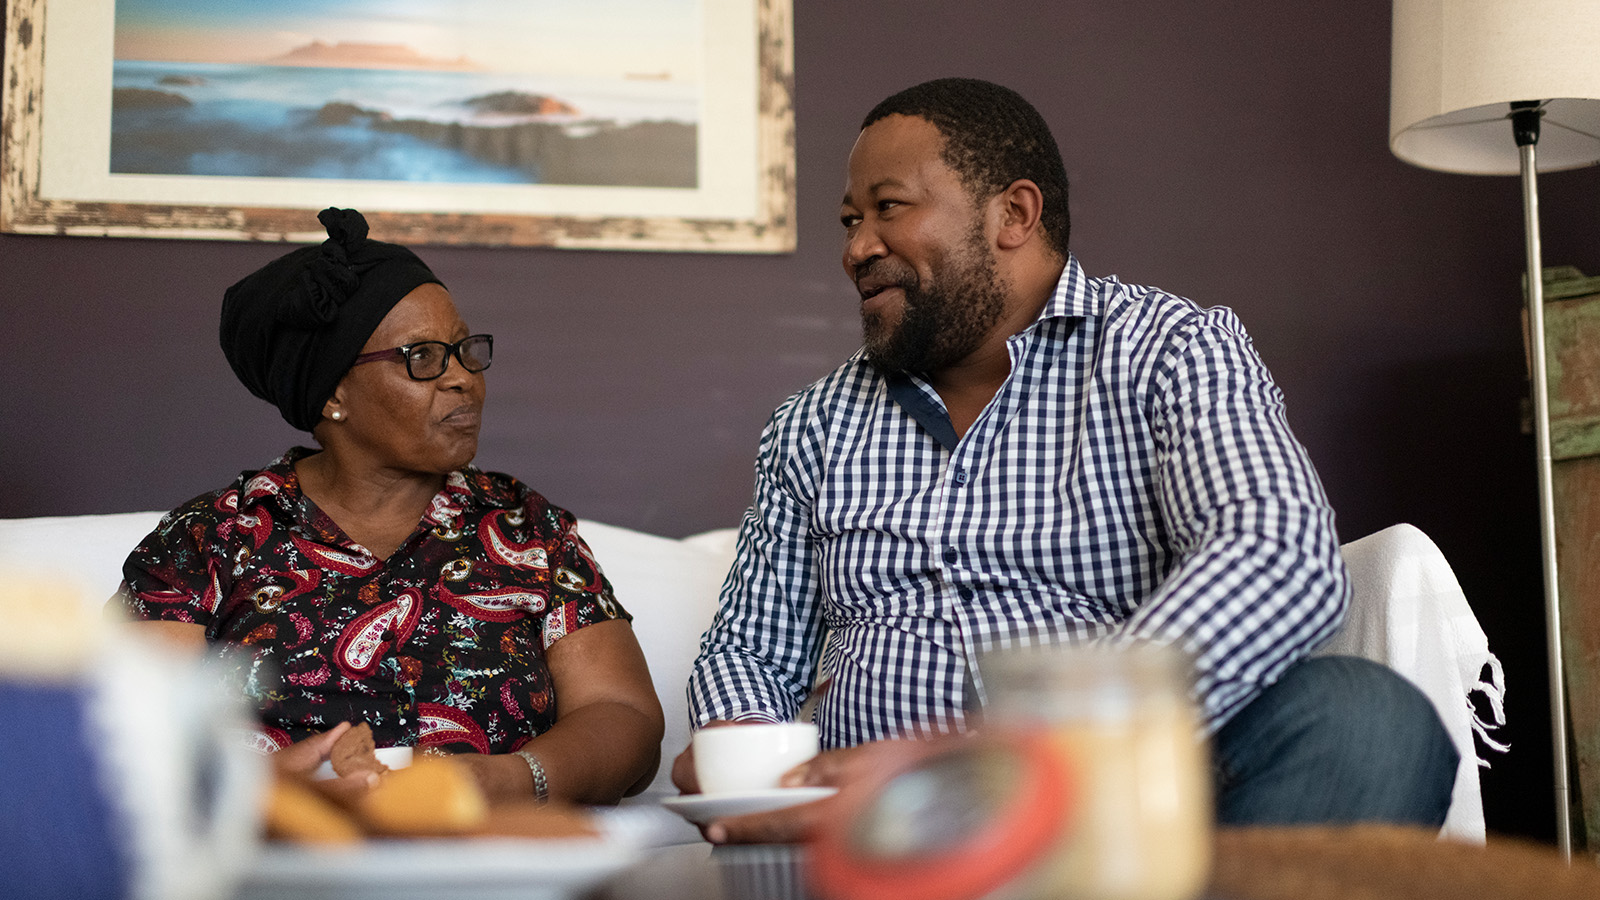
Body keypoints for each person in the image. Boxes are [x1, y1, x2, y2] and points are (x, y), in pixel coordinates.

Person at [675, 78, 1457, 841]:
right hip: (888, 834)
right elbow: (750, 648)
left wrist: (1016, 749)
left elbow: (1276, 551)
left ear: (1013, 213)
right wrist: (744, 751)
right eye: (849, 220)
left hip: (1112, 805)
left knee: (1368, 718)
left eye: (888, 208)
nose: (855, 249)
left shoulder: (1170, 351)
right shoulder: (812, 425)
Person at [115, 207, 663, 805]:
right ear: (333, 394)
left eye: (464, 351)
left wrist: (504, 778)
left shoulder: (527, 529)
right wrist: (273, 788)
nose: (464, 380)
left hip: (495, 855)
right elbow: (124, 742)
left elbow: (622, 714)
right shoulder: (208, 540)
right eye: (423, 357)